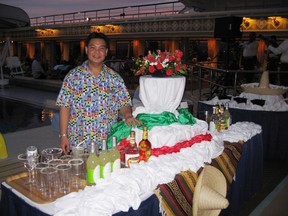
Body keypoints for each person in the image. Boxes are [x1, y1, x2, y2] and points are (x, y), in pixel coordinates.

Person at [56, 32, 142, 155]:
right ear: (86, 50)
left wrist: (128, 115)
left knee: (105, 173)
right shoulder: (73, 76)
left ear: (106, 52)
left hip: (106, 142)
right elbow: (64, 106)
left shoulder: (114, 78)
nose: (97, 52)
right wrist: (63, 135)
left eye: (101, 48)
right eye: (93, 48)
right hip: (78, 141)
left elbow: (123, 102)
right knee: (79, 173)